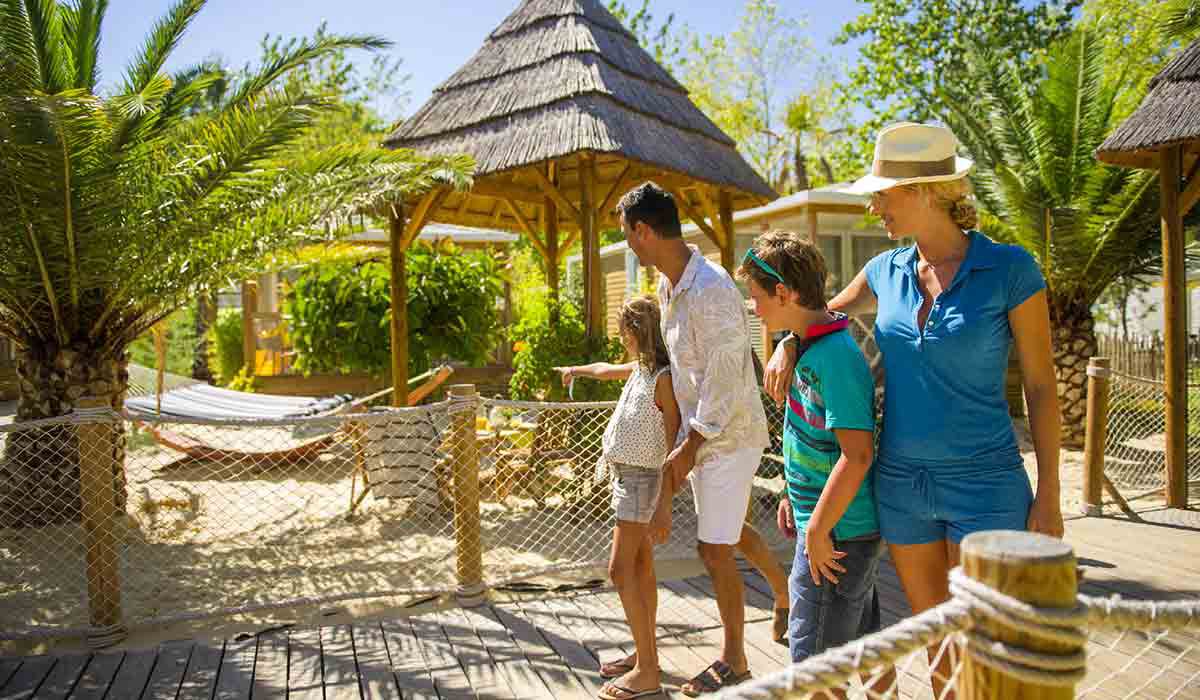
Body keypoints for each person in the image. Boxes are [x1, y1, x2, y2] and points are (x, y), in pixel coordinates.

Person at [764, 123, 1062, 696]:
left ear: (928, 191)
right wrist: (785, 342)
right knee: (939, 646)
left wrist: (1048, 491)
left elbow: (1042, 389)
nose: (875, 206)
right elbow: (818, 316)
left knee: (991, 648)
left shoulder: (1011, 270)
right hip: (902, 488)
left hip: (988, 483)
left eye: (883, 194)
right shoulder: (885, 270)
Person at [616, 182, 790, 698]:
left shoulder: (711, 288)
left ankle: (734, 660)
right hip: (701, 436)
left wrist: (689, 447)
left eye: (627, 234)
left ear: (644, 230)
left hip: (727, 436)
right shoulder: (671, 287)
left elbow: (724, 372)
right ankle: (784, 592)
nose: (628, 243)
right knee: (729, 533)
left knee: (713, 548)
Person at [738, 231, 895, 697]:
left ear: (784, 294)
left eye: (758, 298)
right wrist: (792, 492)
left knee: (812, 672)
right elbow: (810, 440)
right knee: (869, 649)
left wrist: (817, 529)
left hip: (836, 538)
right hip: (831, 528)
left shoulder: (835, 358)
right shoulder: (809, 346)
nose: (755, 309)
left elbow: (857, 453)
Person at [555, 295, 679, 700]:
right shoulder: (641, 368)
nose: (621, 337)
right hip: (626, 477)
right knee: (640, 568)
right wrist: (575, 369)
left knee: (619, 570)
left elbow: (673, 440)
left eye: (624, 330)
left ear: (635, 331)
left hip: (644, 481)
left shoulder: (662, 376)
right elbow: (606, 369)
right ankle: (645, 656)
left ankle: (647, 671)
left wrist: (665, 501)